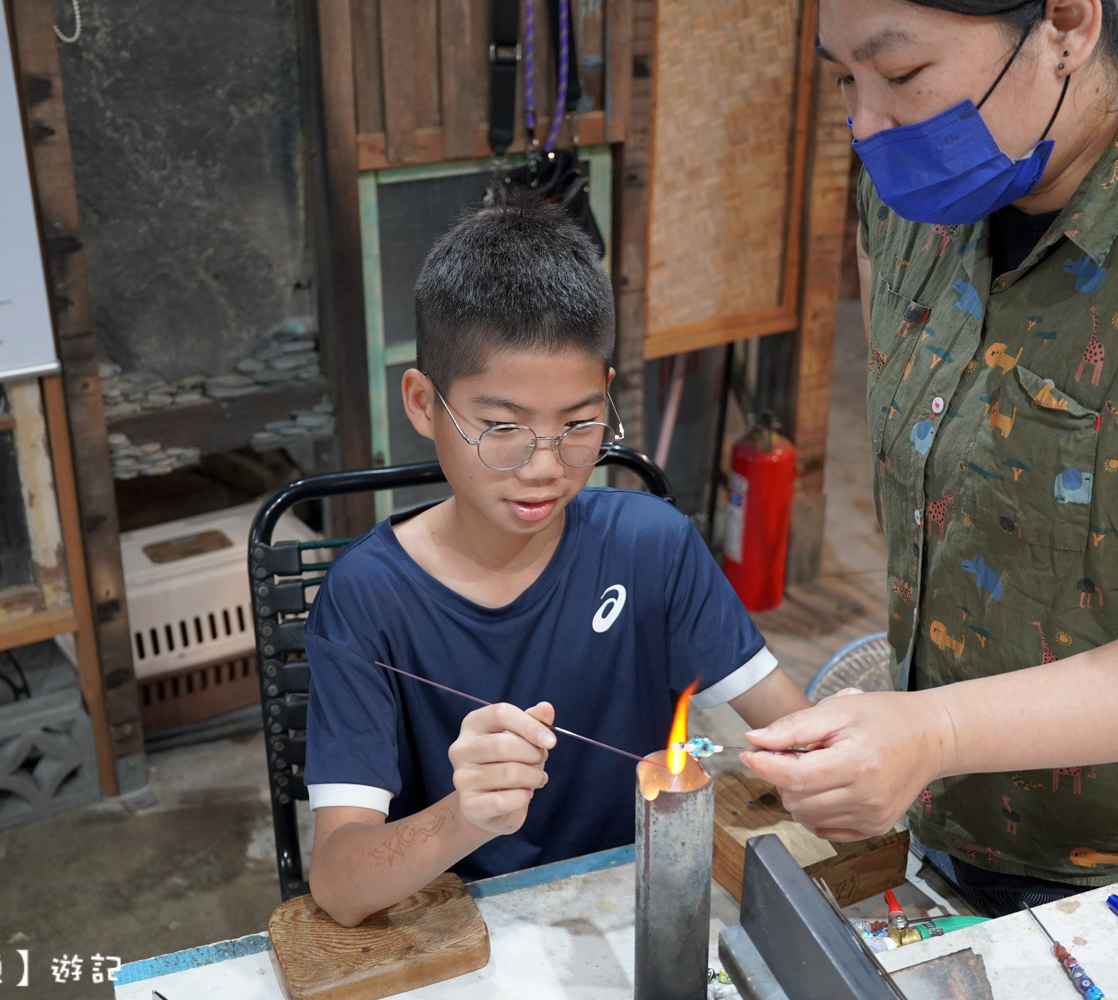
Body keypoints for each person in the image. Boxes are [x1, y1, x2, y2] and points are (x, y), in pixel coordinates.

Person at [744, 0, 1118, 916]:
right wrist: (925, 742)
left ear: (1067, 24)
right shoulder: (926, 179)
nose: (868, 125)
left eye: (903, 74)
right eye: (843, 78)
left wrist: (941, 728)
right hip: (957, 831)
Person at [302, 194, 810, 926]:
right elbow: (339, 886)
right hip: (457, 928)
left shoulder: (650, 544)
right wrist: (465, 817)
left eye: (578, 424)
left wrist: (840, 754)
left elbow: (789, 731)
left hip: (633, 907)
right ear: (422, 403)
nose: (545, 467)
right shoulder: (367, 599)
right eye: (501, 427)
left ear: (607, 393)